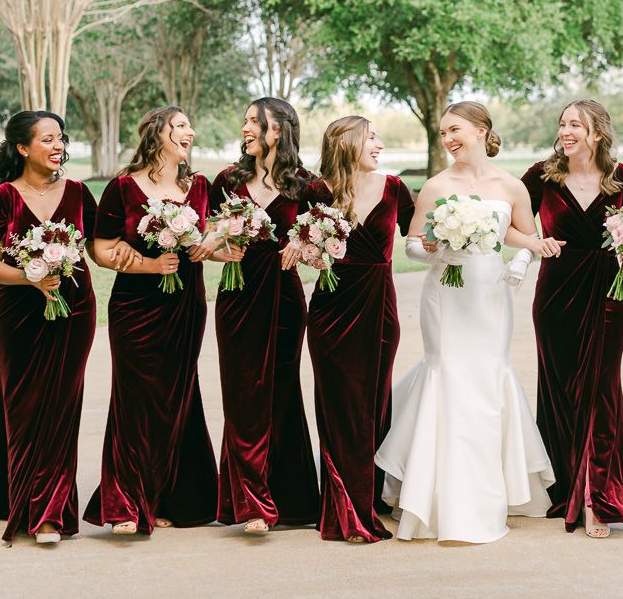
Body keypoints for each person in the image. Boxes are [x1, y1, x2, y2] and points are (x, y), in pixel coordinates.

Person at [376, 100, 559, 543]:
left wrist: (524, 258)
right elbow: (412, 245)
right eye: (443, 133)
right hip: (447, 294)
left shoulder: (513, 185)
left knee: (486, 376)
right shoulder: (437, 186)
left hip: (490, 294)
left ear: (481, 131)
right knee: (449, 373)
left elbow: (519, 236)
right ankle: (437, 493)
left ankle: (488, 486)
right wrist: (439, 248)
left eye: (455, 129)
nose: (449, 139)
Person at [84, 106, 222, 536]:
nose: (190, 132)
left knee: (177, 396)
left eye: (189, 125)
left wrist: (216, 249)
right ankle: (126, 503)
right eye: (180, 126)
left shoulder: (199, 186)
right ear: (156, 134)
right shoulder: (122, 188)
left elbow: (209, 236)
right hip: (134, 308)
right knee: (135, 400)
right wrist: (146, 264)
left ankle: (170, 499)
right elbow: (101, 249)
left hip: (186, 305)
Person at [521, 100, 623, 537]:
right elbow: (509, 224)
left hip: (609, 293)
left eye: (576, 124)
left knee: (601, 389)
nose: (566, 130)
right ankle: (568, 485)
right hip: (556, 295)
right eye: (563, 123)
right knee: (561, 391)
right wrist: (535, 243)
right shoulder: (541, 175)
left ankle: (597, 496)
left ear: (598, 134)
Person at [0, 111, 97, 545]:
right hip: (19, 315)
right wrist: (28, 276)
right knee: (23, 403)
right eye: (47, 139)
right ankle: (20, 495)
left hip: (75, 311)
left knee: (63, 405)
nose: (57, 146)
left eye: (60, 138)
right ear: (23, 148)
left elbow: (100, 250)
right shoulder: (2, 199)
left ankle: (49, 513)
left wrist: (163, 251)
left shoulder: (80, 193)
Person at [209, 97, 319, 534]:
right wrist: (222, 250)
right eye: (246, 121)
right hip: (237, 297)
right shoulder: (228, 181)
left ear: (281, 130)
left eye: (256, 120)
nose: (247, 127)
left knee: (281, 392)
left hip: (286, 303)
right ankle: (251, 504)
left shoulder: (306, 185)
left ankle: (291, 500)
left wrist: (306, 245)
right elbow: (207, 239)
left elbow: (332, 236)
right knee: (241, 396)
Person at [304, 116, 416, 542]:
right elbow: (298, 242)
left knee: (373, 403)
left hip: (378, 309)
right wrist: (307, 251)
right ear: (347, 143)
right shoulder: (317, 192)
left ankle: (366, 500)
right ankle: (340, 504)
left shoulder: (395, 188)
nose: (379, 144)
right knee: (337, 405)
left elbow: (420, 239)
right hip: (331, 310)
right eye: (371, 137)